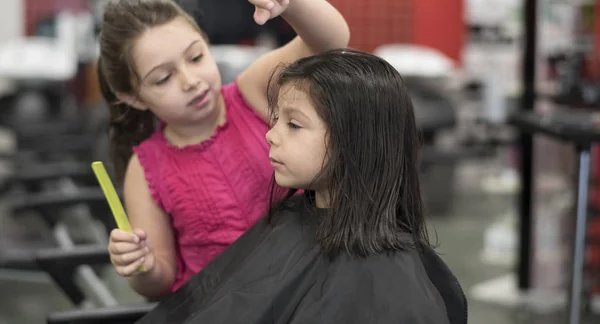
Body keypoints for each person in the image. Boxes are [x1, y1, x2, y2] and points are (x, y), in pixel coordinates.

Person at [137, 49, 467, 324]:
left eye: (293, 124)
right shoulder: (293, 218)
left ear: (355, 140)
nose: (271, 134)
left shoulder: (388, 283)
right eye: (276, 119)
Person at [97, 0, 350, 299]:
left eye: (196, 57)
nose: (191, 81)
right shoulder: (144, 171)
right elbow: (159, 283)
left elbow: (331, 44)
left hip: (310, 290)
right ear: (134, 97)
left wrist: (293, 1)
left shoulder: (254, 92)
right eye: (163, 78)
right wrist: (142, 266)